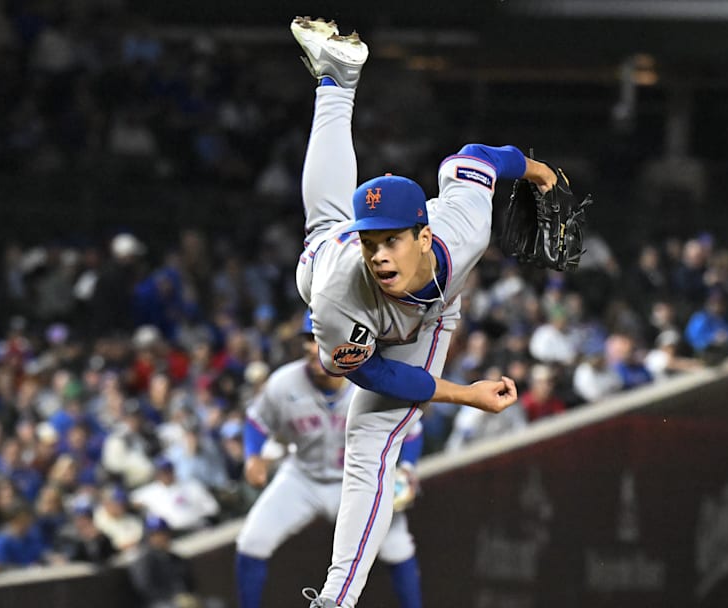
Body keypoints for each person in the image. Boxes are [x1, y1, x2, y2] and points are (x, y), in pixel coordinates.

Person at [289, 16, 552, 607]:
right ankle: (336, 601)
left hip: (429, 316)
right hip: (338, 296)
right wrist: (465, 393)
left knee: (375, 434)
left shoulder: (461, 230)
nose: (379, 254)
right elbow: (370, 372)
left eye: (390, 240)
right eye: (371, 241)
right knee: (326, 225)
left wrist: (534, 169)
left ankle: (336, 81)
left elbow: (478, 157)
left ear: (423, 234)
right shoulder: (338, 288)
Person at [235, 312, 424, 608]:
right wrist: (252, 457)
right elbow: (256, 423)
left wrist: (407, 468)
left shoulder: (373, 382)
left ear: (345, 344)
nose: (312, 347)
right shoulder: (284, 383)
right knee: (251, 541)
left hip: (359, 483)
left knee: (398, 548)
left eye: (319, 339)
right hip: (302, 478)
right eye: (308, 340)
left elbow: (413, 432)